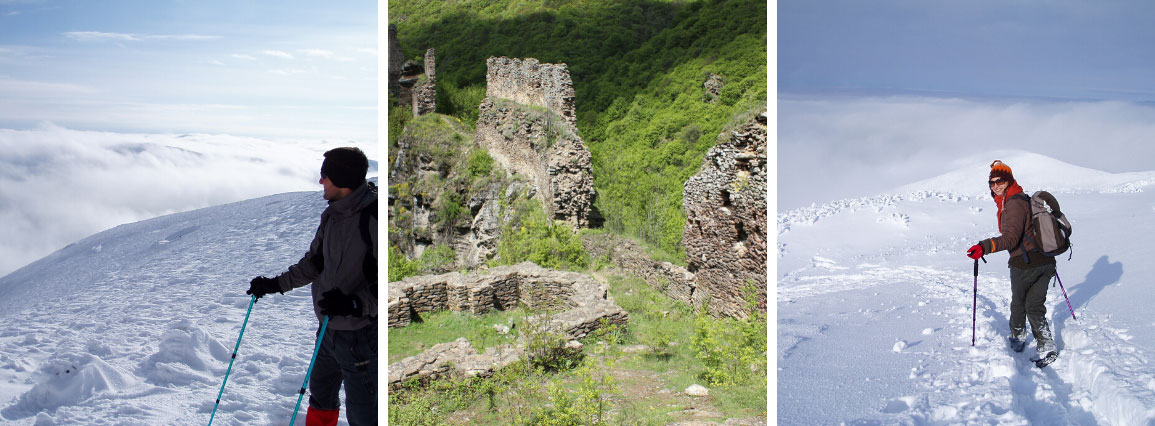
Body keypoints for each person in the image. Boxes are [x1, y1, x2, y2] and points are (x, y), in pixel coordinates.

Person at [247, 147, 378, 426]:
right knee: (320, 397)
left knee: (364, 414)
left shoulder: (373, 217)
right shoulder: (331, 216)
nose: (321, 182)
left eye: (325, 176)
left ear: (341, 179)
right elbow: (313, 264)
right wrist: (273, 285)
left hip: (360, 338)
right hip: (327, 330)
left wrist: (355, 303)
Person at [967, 160, 1057, 367]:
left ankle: (1017, 338)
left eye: (1000, 181)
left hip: (1025, 264)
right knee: (1034, 306)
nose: (995, 185)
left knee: (1020, 304)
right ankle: (1047, 345)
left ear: (1009, 181)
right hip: (1045, 262)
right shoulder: (1022, 199)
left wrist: (984, 246)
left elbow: (1010, 238)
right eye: (991, 182)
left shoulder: (1014, 203)